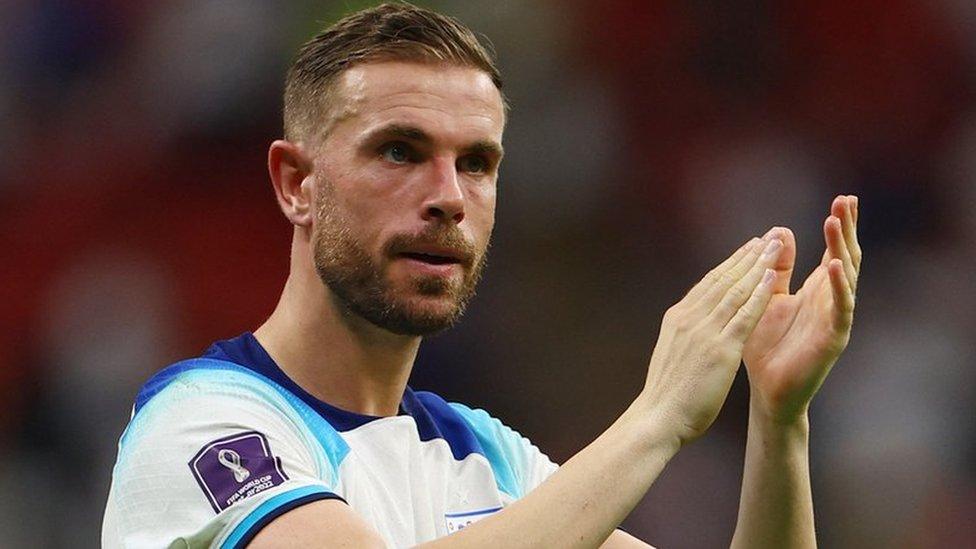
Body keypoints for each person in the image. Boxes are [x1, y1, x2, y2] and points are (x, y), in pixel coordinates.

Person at [101, 4, 862, 548]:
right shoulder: (203, 424)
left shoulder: (486, 460)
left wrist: (779, 420)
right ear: (297, 183)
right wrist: (657, 415)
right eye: (399, 150)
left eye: (477, 163)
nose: (448, 198)